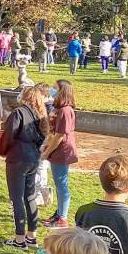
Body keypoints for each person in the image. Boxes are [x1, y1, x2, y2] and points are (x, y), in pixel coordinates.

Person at [0, 86, 47, 250]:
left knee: (16, 198)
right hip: (33, 156)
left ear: (25, 96)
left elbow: (9, 134)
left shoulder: (19, 113)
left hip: (18, 157)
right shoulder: (40, 114)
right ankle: (32, 235)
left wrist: (3, 150)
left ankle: (19, 238)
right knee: (30, 196)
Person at [41, 80, 78, 228]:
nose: (51, 90)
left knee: (62, 184)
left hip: (61, 151)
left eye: (55, 88)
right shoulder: (58, 108)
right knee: (59, 184)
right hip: (55, 149)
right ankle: (59, 213)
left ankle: (62, 218)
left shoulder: (65, 111)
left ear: (62, 91)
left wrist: (47, 152)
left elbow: (60, 135)